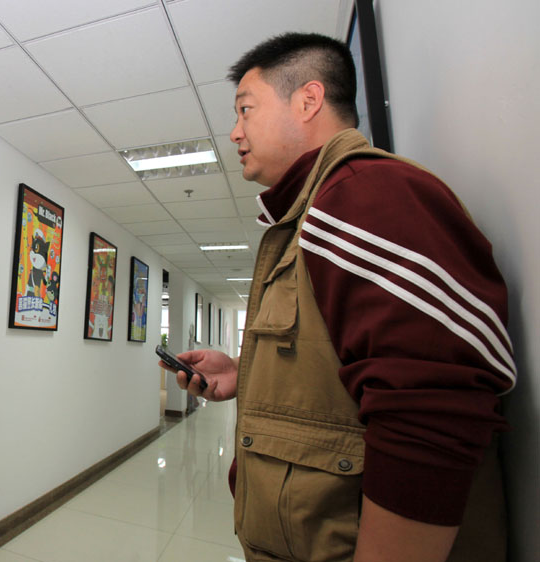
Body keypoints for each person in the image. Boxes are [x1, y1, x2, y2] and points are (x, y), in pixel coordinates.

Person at [161, 33, 514, 562]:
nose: (234, 132)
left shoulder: (365, 195)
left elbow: (429, 419)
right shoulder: (313, 214)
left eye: (245, 110)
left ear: (308, 99)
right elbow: (340, 373)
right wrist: (244, 374)